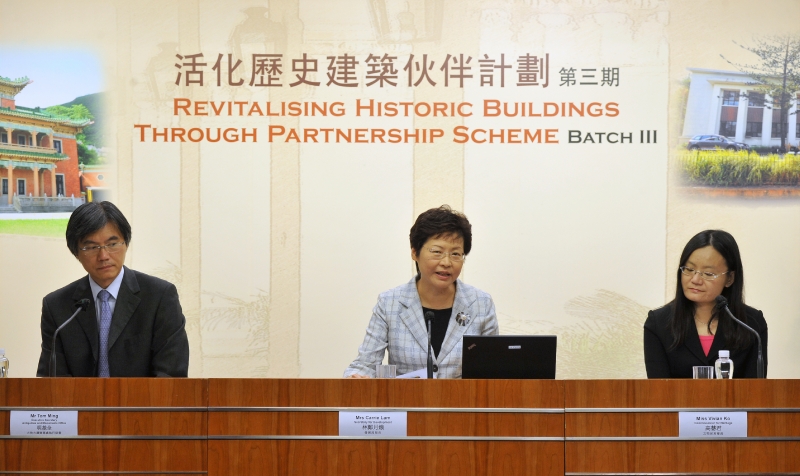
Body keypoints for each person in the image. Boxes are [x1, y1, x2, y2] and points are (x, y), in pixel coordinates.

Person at [36, 201, 189, 377]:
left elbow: (171, 376)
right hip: (80, 404)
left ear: (126, 244)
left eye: (112, 244)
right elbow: (52, 381)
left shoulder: (159, 297)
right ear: (76, 252)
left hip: (143, 403)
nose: (103, 256)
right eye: (92, 247)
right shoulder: (57, 306)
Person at [343, 205, 498, 379]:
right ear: (415, 253)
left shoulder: (480, 303)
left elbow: (492, 372)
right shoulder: (390, 303)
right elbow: (365, 365)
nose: (447, 262)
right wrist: (356, 377)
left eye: (456, 254)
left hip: (462, 405)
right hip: (407, 403)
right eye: (437, 252)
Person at [644, 230, 767, 378]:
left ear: (730, 278)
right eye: (689, 269)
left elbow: (757, 392)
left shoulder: (751, 324)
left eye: (708, 274)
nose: (695, 279)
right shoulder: (659, 323)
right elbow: (658, 391)